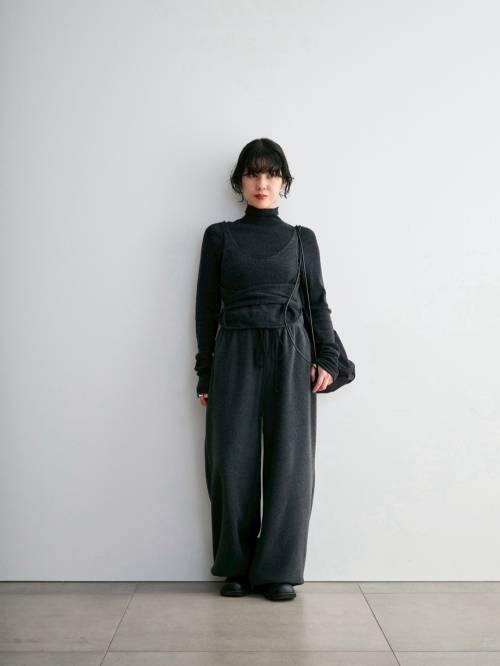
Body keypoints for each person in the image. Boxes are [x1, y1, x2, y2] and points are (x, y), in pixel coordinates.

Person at [194, 138, 341, 602]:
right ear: (239, 182)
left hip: (291, 350)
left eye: (272, 174)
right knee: (230, 461)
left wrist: (328, 359)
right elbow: (206, 309)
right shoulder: (219, 236)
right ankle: (235, 566)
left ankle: (278, 569)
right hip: (234, 349)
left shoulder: (302, 239)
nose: (262, 183)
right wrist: (204, 371)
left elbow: (317, 302)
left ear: (284, 182)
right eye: (253, 173)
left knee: (290, 462)